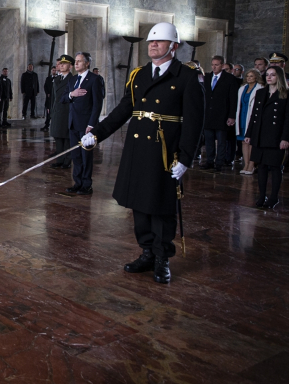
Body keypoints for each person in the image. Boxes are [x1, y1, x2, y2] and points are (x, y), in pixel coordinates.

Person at [81, 22, 204, 284]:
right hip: (138, 149)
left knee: (160, 206)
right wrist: (97, 134)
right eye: (151, 42)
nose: (153, 45)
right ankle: (147, 251)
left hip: (165, 151)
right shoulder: (138, 74)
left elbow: (194, 122)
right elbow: (124, 110)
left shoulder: (187, 77)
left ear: (174, 46)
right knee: (139, 203)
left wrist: (185, 158)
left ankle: (162, 258)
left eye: (159, 42)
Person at [245, 66, 289, 209]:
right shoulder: (260, 93)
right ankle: (262, 195)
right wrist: (249, 134)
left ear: (279, 77)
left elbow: (288, 119)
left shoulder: (285, 94)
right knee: (261, 167)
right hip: (260, 135)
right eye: (268, 75)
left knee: (276, 168)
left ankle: (274, 197)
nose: (269, 77)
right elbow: (254, 116)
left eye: (273, 75)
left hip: (276, 137)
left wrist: (285, 138)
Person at [61, 52, 103, 195]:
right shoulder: (72, 80)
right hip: (73, 123)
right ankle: (77, 183)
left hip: (86, 125)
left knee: (86, 157)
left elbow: (97, 104)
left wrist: (91, 125)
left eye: (79, 61)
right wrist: (72, 94)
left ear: (87, 63)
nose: (76, 63)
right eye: (76, 61)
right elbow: (63, 98)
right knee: (76, 156)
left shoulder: (95, 79)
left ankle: (86, 185)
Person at [201, 55, 238, 172]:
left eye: (216, 65)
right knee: (209, 140)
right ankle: (209, 161)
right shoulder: (207, 77)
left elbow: (233, 99)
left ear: (222, 65)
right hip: (208, 115)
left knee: (221, 141)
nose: (214, 67)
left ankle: (219, 162)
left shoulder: (229, 79)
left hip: (222, 115)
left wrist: (232, 116)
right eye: (212, 64)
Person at [236, 68, 263, 175]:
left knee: (251, 141)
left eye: (251, 76)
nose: (249, 78)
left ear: (256, 77)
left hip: (252, 117)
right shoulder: (242, 88)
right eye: (247, 76)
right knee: (243, 141)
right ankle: (246, 164)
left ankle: (252, 165)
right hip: (242, 116)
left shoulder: (260, 88)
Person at [49, 56, 74, 169]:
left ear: (70, 66)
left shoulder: (73, 79)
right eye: (61, 63)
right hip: (57, 111)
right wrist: (50, 109)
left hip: (67, 112)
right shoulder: (57, 79)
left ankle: (67, 161)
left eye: (65, 63)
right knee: (58, 137)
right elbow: (53, 97)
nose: (61, 65)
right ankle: (60, 159)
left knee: (67, 138)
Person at [41, 66, 57, 132]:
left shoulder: (58, 78)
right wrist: (47, 93)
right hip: (49, 98)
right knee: (48, 111)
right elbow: (45, 86)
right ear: (51, 71)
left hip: (55, 98)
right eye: (53, 70)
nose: (54, 71)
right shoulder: (48, 78)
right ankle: (47, 124)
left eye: (55, 70)